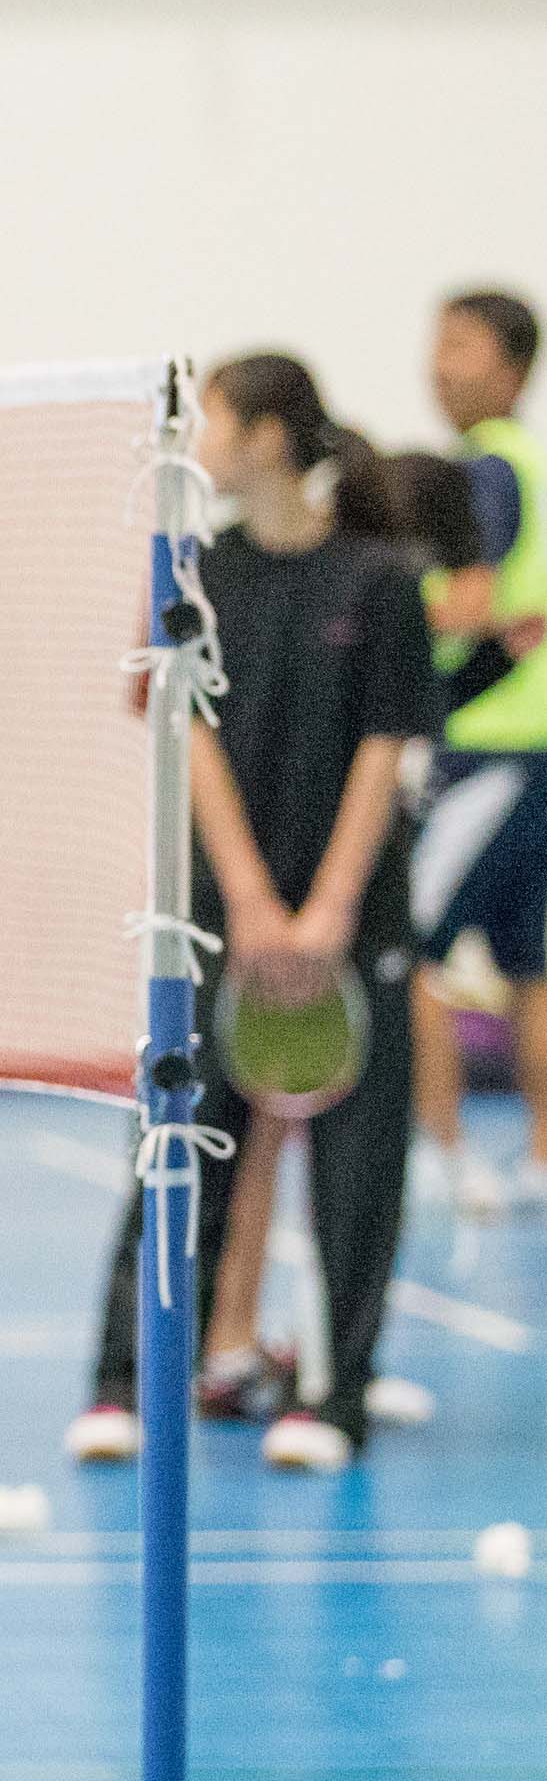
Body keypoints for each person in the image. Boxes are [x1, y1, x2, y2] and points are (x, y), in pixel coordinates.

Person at [65, 357, 437, 1475]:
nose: (201, 442)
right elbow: (191, 737)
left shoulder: (377, 580)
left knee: (357, 1169)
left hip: (352, 916)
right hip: (221, 914)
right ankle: (125, 1380)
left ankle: (337, 1399)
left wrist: (322, 907)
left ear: (269, 436)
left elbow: (384, 745)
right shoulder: (198, 571)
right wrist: (251, 900)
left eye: (216, 420)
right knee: (175, 1143)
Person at [412, 289, 547, 1213]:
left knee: (407, 954)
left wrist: (374, 612)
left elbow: (464, 604)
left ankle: (436, 1155)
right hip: (530, 751)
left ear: (510, 367)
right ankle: (540, 1161)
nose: (436, 364)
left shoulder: (484, 470)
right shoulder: (527, 464)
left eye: (459, 346)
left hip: (484, 750)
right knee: (529, 966)